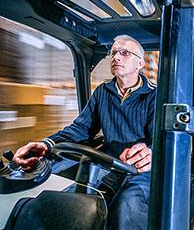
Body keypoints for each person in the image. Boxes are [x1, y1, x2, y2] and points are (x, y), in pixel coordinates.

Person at [13, 35, 156, 230]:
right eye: (113, 53)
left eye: (124, 53)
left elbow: (160, 139)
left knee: (126, 205)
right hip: (109, 163)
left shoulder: (153, 95)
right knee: (70, 202)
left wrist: (151, 152)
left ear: (140, 63)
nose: (116, 57)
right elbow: (81, 128)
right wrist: (47, 144)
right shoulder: (103, 92)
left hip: (142, 170)